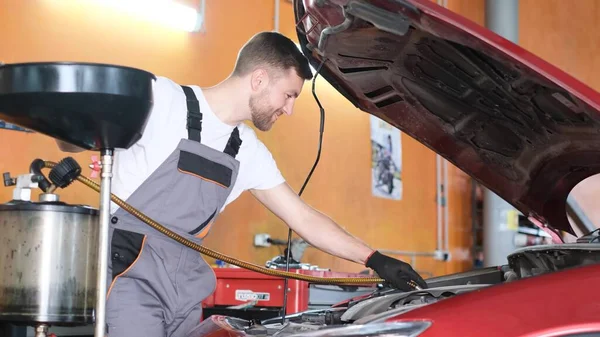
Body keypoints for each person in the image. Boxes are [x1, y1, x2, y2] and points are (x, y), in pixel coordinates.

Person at [57, 31, 427, 337]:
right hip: (128, 276)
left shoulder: (247, 150)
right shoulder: (163, 100)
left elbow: (304, 218)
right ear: (259, 79)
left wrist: (373, 258)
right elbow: (72, 133)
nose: (289, 109)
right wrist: (79, 133)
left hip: (184, 288)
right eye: (289, 95)